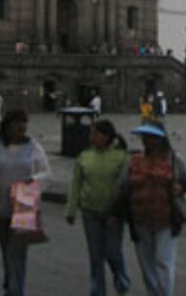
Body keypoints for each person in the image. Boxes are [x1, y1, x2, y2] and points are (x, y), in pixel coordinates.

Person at [0, 108, 52, 296]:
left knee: (17, 252)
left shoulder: (34, 147)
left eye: (24, 122)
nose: (22, 126)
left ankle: (15, 291)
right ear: (7, 126)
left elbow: (46, 173)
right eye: (18, 122)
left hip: (23, 205)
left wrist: (34, 181)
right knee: (7, 250)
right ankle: (10, 285)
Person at [117, 122, 186, 296]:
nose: (148, 141)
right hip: (139, 217)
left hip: (165, 218)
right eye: (145, 138)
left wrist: (180, 188)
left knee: (164, 261)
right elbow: (123, 186)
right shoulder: (135, 160)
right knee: (146, 262)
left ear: (161, 139)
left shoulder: (174, 159)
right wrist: (117, 212)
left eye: (152, 138)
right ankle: (153, 292)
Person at [66, 119, 132, 296]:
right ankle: (97, 291)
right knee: (95, 256)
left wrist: (117, 212)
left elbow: (124, 187)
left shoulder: (121, 157)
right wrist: (71, 209)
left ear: (107, 136)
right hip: (90, 211)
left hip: (113, 214)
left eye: (95, 133)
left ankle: (121, 278)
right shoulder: (85, 156)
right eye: (91, 134)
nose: (91, 137)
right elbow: (76, 183)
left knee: (113, 252)